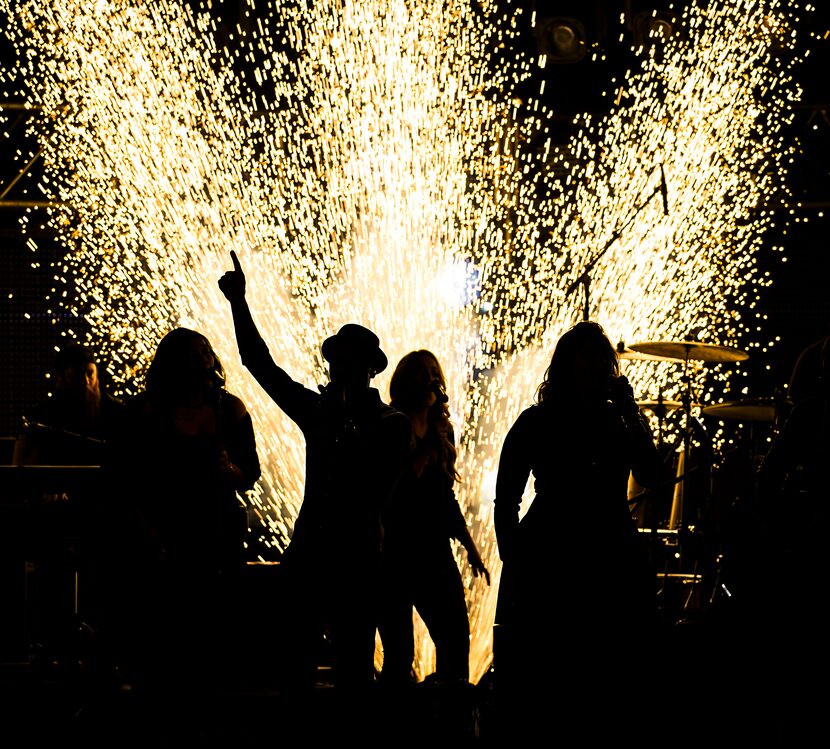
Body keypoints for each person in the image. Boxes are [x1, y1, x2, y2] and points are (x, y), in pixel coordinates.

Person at [218, 250, 412, 734]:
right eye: (336, 360)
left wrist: (341, 419)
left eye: (347, 361)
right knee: (299, 673)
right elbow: (258, 364)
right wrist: (239, 303)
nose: (337, 368)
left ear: (369, 368)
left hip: (356, 561)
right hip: (314, 556)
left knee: (351, 675)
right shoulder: (327, 413)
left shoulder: (390, 424)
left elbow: (375, 490)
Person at [491, 320, 665, 740]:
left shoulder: (616, 421)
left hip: (608, 551)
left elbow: (652, 472)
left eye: (603, 357)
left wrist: (631, 412)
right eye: (589, 355)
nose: (599, 365)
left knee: (607, 674)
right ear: (568, 363)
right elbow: (506, 498)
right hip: (553, 552)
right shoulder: (537, 421)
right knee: (552, 676)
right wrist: (513, 556)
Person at [103, 327, 260, 735]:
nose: (199, 363)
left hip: (214, 546)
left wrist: (231, 471)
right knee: (159, 655)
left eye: (202, 354)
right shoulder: (143, 414)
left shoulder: (232, 412)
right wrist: (146, 536)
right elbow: (120, 482)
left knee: (205, 654)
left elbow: (251, 473)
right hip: (160, 546)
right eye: (190, 356)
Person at [377, 349, 489, 693]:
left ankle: (451, 716)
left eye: (433, 372)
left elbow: (444, 496)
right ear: (405, 381)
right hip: (394, 552)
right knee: (399, 653)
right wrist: (429, 444)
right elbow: (398, 487)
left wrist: (470, 546)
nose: (430, 379)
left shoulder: (443, 431)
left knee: (455, 636)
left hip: (434, 551)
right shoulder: (393, 424)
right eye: (421, 373)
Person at [12, 343, 124, 667]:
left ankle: (97, 639)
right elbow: (23, 472)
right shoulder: (40, 418)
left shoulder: (117, 415)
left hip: (104, 518)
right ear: (61, 379)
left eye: (91, 376)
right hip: (57, 521)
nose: (87, 384)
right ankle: (60, 637)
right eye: (79, 377)